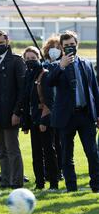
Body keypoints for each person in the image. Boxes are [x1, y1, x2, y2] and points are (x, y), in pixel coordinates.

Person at [47, 31, 99, 193]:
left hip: (85, 114)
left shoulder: (86, 63)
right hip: (66, 117)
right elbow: (49, 82)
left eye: (72, 44)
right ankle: (71, 187)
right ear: (61, 47)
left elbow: (95, 90)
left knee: (92, 152)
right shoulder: (56, 65)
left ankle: (96, 185)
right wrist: (61, 66)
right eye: (66, 45)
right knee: (66, 155)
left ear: (77, 44)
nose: (70, 47)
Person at [0, 31, 26, 189]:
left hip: (10, 113)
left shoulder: (16, 61)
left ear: (8, 42)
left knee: (12, 149)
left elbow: (22, 90)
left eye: (1, 43)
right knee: (1, 149)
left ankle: (17, 181)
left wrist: (17, 112)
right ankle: (6, 180)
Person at [21, 46, 59, 190]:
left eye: (33, 58)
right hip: (33, 120)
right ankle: (39, 183)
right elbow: (26, 100)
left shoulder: (45, 75)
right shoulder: (28, 77)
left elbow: (50, 100)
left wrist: (44, 120)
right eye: (28, 58)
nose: (30, 61)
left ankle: (53, 183)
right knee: (36, 153)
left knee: (49, 152)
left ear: (38, 58)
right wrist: (25, 123)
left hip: (44, 119)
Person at [42, 35, 64, 181]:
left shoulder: (63, 65)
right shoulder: (43, 65)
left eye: (57, 48)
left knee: (59, 142)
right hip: (46, 108)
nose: (54, 51)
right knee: (47, 144)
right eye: (51, 48)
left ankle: (59, 170)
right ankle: (48, 170)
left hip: (60, 109)